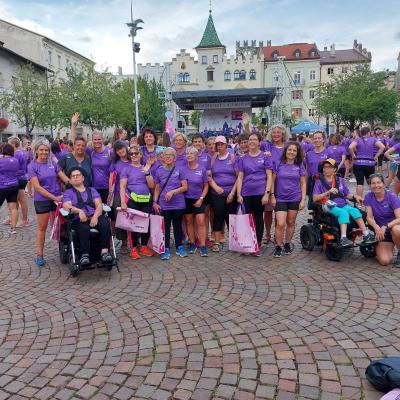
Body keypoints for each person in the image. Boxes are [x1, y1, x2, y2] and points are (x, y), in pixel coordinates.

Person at [312, 158, 375, 247]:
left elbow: (347, 195)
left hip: (342, 204)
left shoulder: (340, 180)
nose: (326, 169)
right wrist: (328, 192)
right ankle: (343, 238)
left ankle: (366, 234)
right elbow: (314, 198)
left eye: (329, 167)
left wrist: (355, 196)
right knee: (343, 213)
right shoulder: (318, 182)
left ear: (334, 169)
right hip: (328, 205)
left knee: (355, 211)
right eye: (325, 167)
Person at [27, 139, 69, 266]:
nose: (44, 152)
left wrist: (74, 184)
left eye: (46, 150)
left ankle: (64, 251)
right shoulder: (32, 166)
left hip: (57, 199)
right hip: (43, 200)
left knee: (60, 226)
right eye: (42, 150)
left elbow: (63, 176)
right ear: (37, 151)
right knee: (42, 228)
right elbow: (37, 187)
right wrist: (54, 198)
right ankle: (40, 254)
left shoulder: (53, 163)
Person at [62, 167, 114, 266]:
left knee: (105, 224)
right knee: (83, 228)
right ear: (71, 180)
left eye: (78, 175)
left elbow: (99, 205)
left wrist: (95, 216)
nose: (75, 177)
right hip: (78, 219)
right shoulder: (68, 193)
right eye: (73, 176)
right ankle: (84, 255)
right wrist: (78, 211)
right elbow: (66, 205)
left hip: (94, 216)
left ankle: (104, 252)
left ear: (83, 178)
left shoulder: (92, 190)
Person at [237, 132, 272, 255]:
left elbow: (269, 176)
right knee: (246, 219)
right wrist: (238, 194)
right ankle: (247, 243)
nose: (251, 142)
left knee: (258, 218)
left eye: (254, 139)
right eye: (250, 139)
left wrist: (267, 194)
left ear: (259, 142)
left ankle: (257, 244)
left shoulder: (265, 156)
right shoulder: (243, 158)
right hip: (246, 192)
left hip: (260, 192)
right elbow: (240, 177)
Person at [271, 142, 306, 257]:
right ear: (285, 151)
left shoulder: (299, 165)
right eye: (289, 150)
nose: (291, 152)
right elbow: (272, 180)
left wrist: (302, 200)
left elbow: (303, 183)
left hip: (294, 197)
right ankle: (278, 246)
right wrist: (272, 195)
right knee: (280, 223)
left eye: (294, 150)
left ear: (297, 153)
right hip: (280, 198)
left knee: (291, 222)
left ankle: (287, 243)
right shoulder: (278, 163)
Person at [120, 145, 155, 260]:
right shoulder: (126, 169)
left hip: (146, 199)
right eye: (131, 154)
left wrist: (147, 172)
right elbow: (122, 187)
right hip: (132, 199)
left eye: (136, 153)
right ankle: (134, 248)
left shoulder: (145, 167)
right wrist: (123, 202)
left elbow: (151, 185)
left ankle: (144, 246)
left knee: (146, 223)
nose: (134, 155)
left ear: (140, 155)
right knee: (133, 224)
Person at [153, 147, 188, 260]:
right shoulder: (159, 170)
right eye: (166, 155)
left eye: (170, 155)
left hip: (178, 203)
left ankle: (179, 247)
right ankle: (165, 248)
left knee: (177, 226)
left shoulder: (180, 169)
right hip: (164, 204)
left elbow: (185, 187)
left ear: (174, 158)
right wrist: (154, 202)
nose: (168, 157)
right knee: (166, 227)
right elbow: (157, 188)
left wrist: (173, 192)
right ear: (162, 157)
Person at [208, 136, 238, 252]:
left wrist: (232, 193)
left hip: (231, 193)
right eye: (217, 145)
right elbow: (209, 175)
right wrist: (215, 187)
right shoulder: (214, 158)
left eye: (222, 144)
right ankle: (216, 241)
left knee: (231, 218)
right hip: (216, 193)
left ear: (226, 145)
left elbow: (238, 177)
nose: (219, 147)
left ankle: (234, 242)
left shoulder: (232, 157)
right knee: (217, 217)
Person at [262, 124, 290, 243]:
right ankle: (267, 233)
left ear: (283, 134)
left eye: (279, 132)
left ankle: (277, 235)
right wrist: (247, 125)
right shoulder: (267, 146)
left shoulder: (288, 147)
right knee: (268, 211)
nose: (276, 135)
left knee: (281, 212)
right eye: (274, 132)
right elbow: (253, 138)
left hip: (284, 184)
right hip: (269, 183)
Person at [365, 173, 400, 266]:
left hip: (394, 229)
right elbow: (369, 217)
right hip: (382, 233)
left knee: (396, 229)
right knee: (385, 261)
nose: (376, 185)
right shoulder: (368, 196)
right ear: (370, 186)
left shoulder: (392, 197)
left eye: (379, 182)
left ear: (384, 184)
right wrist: (376, 227)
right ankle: (390, 246)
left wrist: (385, 226)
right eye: (373, 183)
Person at [183, 147, 209, 257]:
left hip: (199, 199)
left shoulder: (202, 169)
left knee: (201, 221)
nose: (189, 155)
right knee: (188, 221)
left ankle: (203, 246)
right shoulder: (182, 169)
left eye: (191, 153)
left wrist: (201, 199)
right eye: (187, 153)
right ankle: (192, 243)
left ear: (196, 156)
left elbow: (206, 186)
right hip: (186, 199)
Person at [349, 126, 385, 197]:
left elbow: (350, 147)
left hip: (358, 163)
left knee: (360, 183)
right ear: (368, 132)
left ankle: (359, 202)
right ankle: (373, 200)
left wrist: (353, 155)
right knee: (371, 183)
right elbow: (382, 147)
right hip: (370, 163)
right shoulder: (373, 139)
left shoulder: (358, 139)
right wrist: (376, 156)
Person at [109, 141, 131, 253]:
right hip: (118, 193)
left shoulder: (133, 159)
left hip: (133, 194)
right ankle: (124, 243)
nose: (120, 151)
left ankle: (135, 242)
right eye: (118, 150)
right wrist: (110, 193)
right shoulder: (115, 163)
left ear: (126, 148)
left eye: (121, 148)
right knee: (120, 218)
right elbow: (111, 178)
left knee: (133, 218)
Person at [7, 136, 30, 226]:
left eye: (9, 144)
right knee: (15, 200)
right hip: (19, 178)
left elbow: (18, 168)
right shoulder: (19, 153)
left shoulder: (17, 154)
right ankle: (14, 218)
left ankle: (24, 220)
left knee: (21, 199)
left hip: (19, 179)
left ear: (13, 144)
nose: (7, 146)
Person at [305, 131, 329, 208]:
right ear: (312, 140)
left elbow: (333, 169)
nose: (317, 140)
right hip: (311, 181)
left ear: (323, 140)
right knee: (313, 204)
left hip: (324, 182)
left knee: (325, 203)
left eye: (319, 138)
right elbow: (306, 170)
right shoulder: (309, 154)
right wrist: (305, 184)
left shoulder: (329, 153)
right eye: (315, 138)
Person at [0, 144, 20, 234]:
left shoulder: (1, 161)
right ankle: (13, 228)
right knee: (13, 207)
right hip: (14, 185)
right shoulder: (16, 160)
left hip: (3, 186)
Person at [88, 131, 112, 204]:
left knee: (108, 212)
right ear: (92, 140)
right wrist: (73, 125)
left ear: (103, 139)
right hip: (94, 188)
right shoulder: (91, 152)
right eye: (95, 139)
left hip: (107, 188)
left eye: (99, 139)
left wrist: (111, 192)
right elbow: (75, 144)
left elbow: (113, 173)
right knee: (97, 211)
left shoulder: (109, 152)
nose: (97, 141)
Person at [384, 130, 400, 194]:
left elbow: (387, 147)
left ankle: (386, 187)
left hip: (393, 157)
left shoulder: (391, 140)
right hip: (398, 158)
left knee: (391, 175)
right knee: (395, 176)